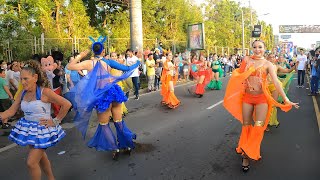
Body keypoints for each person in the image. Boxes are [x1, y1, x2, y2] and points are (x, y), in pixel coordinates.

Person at [223, 40, 299, 172]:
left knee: (258, 127)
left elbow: (275, 82)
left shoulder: (268, 64)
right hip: (247, 98)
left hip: (261, 99)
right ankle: (246, 153)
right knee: (246, 125)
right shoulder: (246, 60)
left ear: (264, 48)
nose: (257, 49)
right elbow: (238, 76)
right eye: (255, 47)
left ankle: (248, 152)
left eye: (260, 47)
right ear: (251, 48)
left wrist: (286, 99)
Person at [66, 36, 140, 160]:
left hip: (101, 96)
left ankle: (114, 147)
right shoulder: (108, 61)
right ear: (103, 51)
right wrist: (138, 62)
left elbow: (69, 66)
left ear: (93, 51)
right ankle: (126, 145)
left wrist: (80, 56)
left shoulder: (89, 63)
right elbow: (127, 68)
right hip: (113, 92)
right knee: (118, 121)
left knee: (104, 124)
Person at [0, 60, 71, 180]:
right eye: (21, 79)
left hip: (43, 131)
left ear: (35, 77)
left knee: (31, 163)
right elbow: (10, 111)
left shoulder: (45, 92)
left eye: (26, 79)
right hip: (30, 131)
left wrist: (55, 121)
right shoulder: (22, 93)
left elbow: (67, 104)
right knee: (41, 158)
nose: (22, 82)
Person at [266, 54, 296, 129]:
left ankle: (271, 121)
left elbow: (288, 70)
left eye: (273, 57)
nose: (271, 58)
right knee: (265, 105)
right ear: (267, 58)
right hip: (265, 87)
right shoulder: (264, 66)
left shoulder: (277, 66)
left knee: (273, 104)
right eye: (270, 57)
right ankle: (265, 122)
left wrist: (295, 66)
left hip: (274, 86)